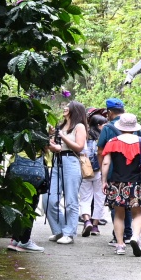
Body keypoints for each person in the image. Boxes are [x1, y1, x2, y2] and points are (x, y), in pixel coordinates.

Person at [101, 113, 141, 256]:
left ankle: (119, 245)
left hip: (117, 182)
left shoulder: (112, 141)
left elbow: (106, 162)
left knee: (119, 214)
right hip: (137, 183)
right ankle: (135, 237)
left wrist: (104, 181)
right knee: (137, 213)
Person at [44, 101, 89, 244]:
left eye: (67, 106)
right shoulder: (61, 126)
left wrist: (62, 136)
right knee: (48, 199)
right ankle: (59, 231)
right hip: (57, 162)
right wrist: (50, 138)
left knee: (71, 200)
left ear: (74, 110)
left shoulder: (79, 126)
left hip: (72, 162)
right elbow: (54, 147)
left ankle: (69, 233)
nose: (64, 108)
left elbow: (79, 147)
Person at [81, 98, 125, 236]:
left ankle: (86, 220)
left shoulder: (86, 136)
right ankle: (94, 226)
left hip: (86, 170)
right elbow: (103, 153)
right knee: (100, 198)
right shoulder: (103, 135)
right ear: (99, 124)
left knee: (85, 197)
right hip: (100, 170)